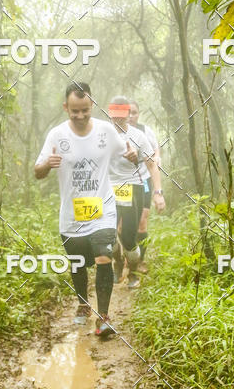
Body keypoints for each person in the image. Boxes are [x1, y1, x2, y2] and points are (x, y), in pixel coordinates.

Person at [34, 82, 138, 338]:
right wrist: (48, 163)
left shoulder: (106, 131)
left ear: (92, 105)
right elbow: (37, 172)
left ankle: (103, 318)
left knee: (102, 256)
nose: (80, 116)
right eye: (74, 111)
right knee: (78, 262)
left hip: (102, 210)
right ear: (65, 107)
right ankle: (83, 303)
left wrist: (133, 154)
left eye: (85, 110)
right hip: (71, 214)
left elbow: (129, 151)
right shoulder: (56, 136)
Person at [107, 97, 165, 288]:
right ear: (109, 115)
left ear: (127, 115)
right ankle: (117, 262)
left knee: (129, 237)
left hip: (133, 186)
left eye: (122, 117)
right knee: (108, 235)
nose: (118, 121)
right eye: (114, 117)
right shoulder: (101, 134)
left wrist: (158, 192)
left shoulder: (139, 136)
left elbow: (152, 165)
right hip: (108, 188)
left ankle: (132, 270)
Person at [128, 101, 162, 274]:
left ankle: (140, 261)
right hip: (123, 182)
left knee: (142, 220)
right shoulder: (115, 132)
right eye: (128, 112)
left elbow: (156, 150)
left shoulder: (145, 131)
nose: (131, 115)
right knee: (122, 224)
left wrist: (155, 161)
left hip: (144, 179)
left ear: (138, 114)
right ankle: (127, 255)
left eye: (134, 112)